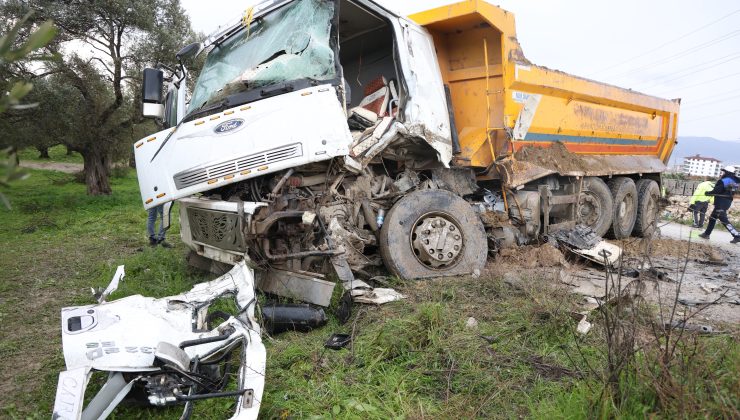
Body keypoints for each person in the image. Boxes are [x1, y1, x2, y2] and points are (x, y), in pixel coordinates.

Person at [698, 166, 740, 244]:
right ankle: (707, 234)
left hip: (721, 203)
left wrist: (707, 193)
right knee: (713, 217)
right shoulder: (735, 180)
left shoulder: (725, 180)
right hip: (727, 202)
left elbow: (716, 190)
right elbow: (727, 191)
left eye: (724, 172)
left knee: (724, 220)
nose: (723, 173)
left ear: (727, 172)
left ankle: (737, 235)